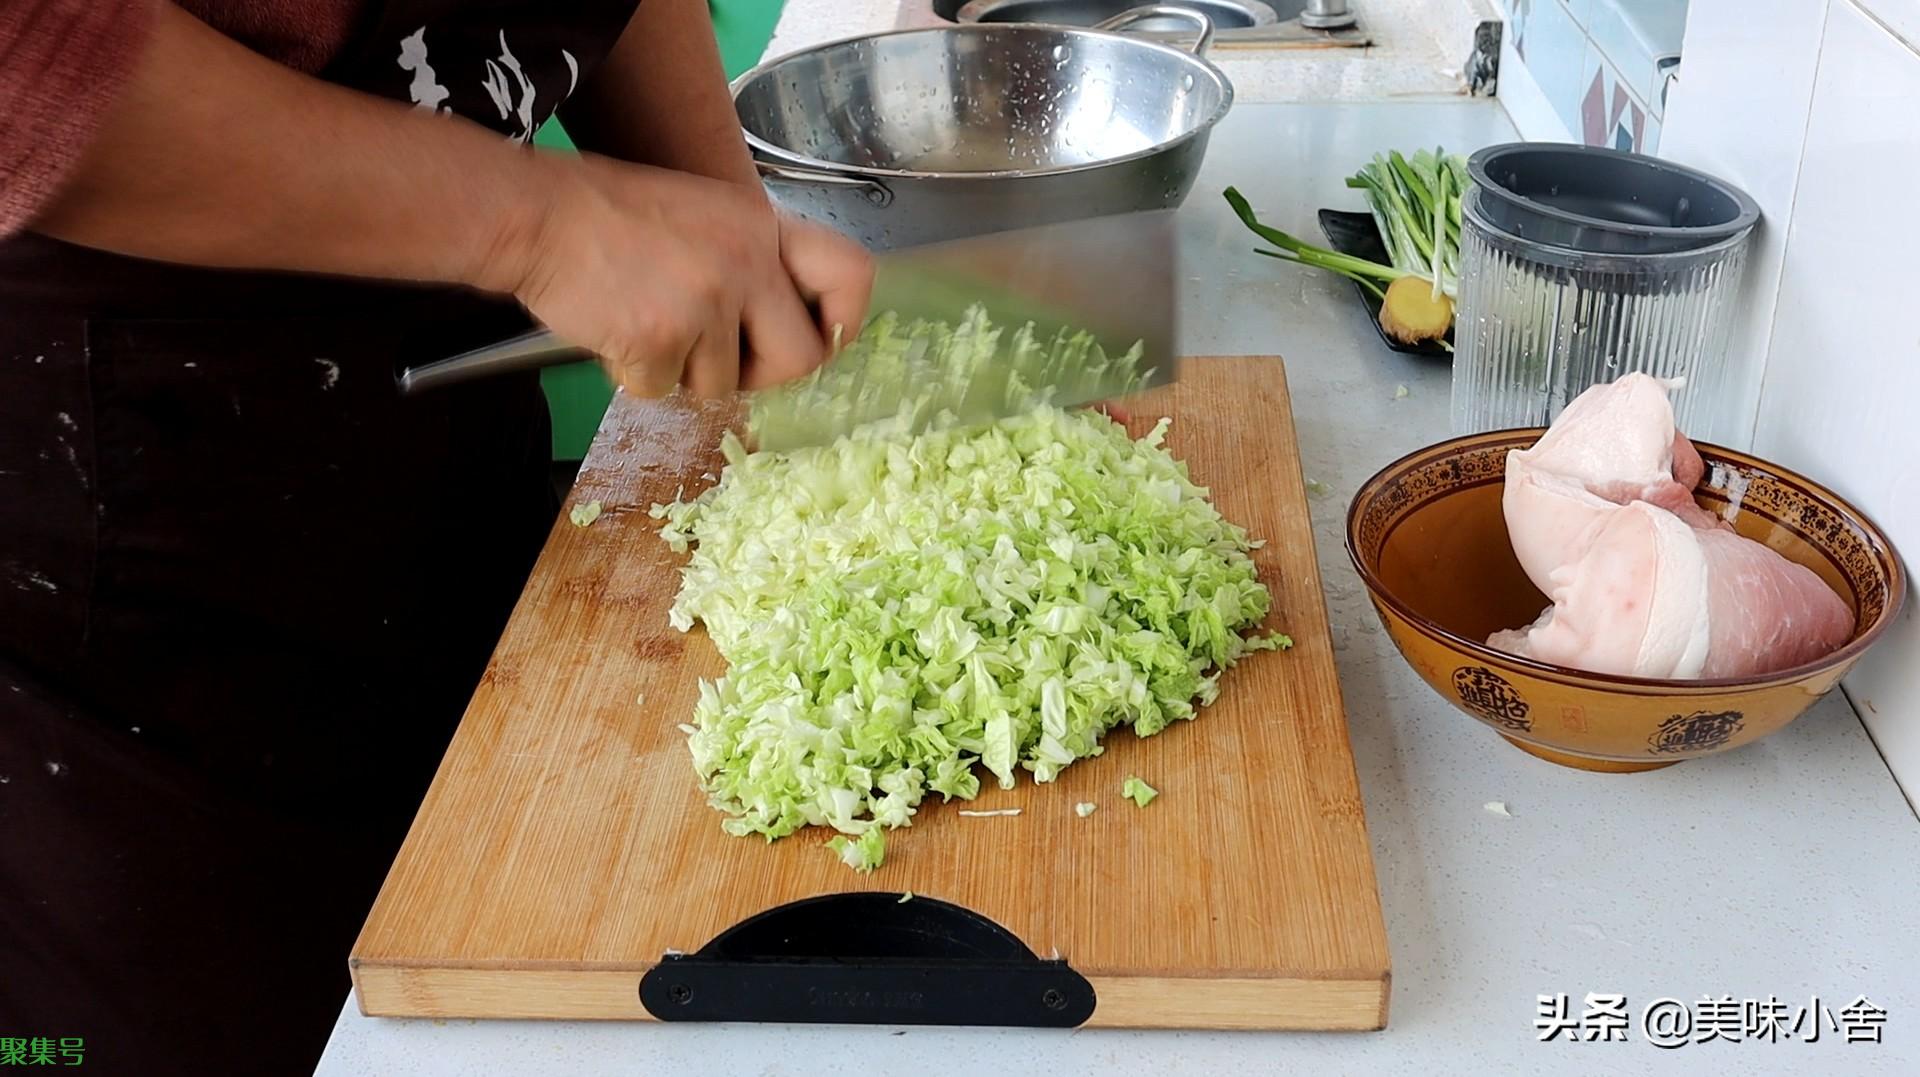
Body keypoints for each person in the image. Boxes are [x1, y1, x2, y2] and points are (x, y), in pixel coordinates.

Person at [0, 2, 874, 1073]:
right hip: (118, 487)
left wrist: (716, 224)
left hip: (434, 391)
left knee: (512, 950)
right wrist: (542, 228)